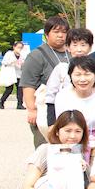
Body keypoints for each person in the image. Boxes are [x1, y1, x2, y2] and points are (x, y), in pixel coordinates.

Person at [20, 15, 70, 146]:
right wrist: (32, 110)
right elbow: (28, 84)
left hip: (67, 109)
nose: (60, 35)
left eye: (64, 32)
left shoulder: (71, 53)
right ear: (47, 34)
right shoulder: (36, 55)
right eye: (56, 32)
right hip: (44, 109)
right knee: (45, 148)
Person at [54, 56, 95, 149]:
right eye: (78, 75)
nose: (82, 79)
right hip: (73, 138)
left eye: (87, 74)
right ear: (70, 76)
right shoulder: (62, 95)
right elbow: (62, 126)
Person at [44, 27, 95, 126]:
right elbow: (51, 97)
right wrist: (51, 124)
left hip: (90, 119)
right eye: (75, 45)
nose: (79, 49)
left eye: (83, 45)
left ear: (90, 47)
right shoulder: (61, 69)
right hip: (66, 118)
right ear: (68, 47)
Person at [0, 41, 25, 110]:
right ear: (14, 47)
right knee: (9, 89)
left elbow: (22, 65)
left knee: (20, 89)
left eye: (21, 48)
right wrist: (13, 62)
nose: (19, 49)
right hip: (10, 74)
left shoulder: (22, 56)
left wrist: (22, 64)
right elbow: (4, 62)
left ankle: (19, 104)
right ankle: (1, 100)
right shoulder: (9, 54)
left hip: (18, 74)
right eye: (18, 47)